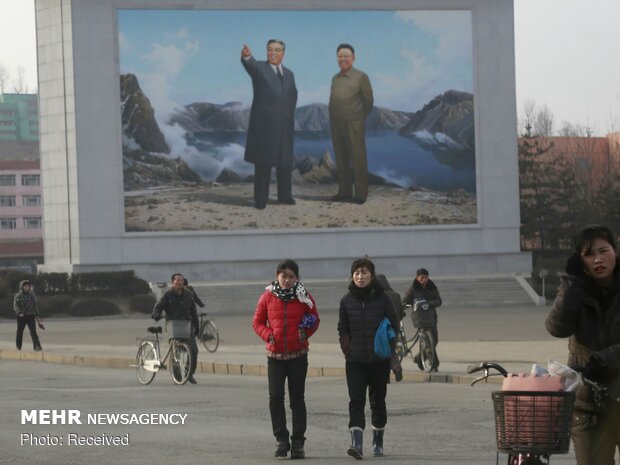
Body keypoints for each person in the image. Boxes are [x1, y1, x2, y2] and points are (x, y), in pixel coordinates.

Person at [545, 225, 620, 465]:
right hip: (588, 404)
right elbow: (557, 328)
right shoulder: (576, 288)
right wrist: (571, 284)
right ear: (581, 261)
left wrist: (605, 359)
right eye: (589, 255)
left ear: (615, 251)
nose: (598, 259)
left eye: (603, 250)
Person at [252, 259, 320, 459]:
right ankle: (281, 439)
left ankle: (298, 442)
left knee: (297, 399)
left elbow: (315, 318)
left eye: (291, 276)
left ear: (296, 278)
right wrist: (268, 334)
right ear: (277, 276)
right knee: (275, 397)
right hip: (275, 356)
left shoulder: (303, 296)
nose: (287, 280)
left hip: (298, 356)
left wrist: (304, 333)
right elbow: (256, 322)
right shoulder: (267, 296)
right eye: (284, 276)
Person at [337, 258, 401, 459]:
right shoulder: (346, 301)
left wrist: (387, 350)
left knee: (377, 401)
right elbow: (342, 328)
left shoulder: (383, 299)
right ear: (352, 276)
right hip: (355, 361)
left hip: (378, 360)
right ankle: (356, 444)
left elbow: (394, 324)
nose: (360, 276)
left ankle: (378, 441)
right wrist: (347, 349)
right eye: (356, 272)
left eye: (364, 272)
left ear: (371, 275)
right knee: (356, 400)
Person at [241, 40, 298, 209]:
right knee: (263, 164)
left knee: (285, 163)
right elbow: (249, 65)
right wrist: (246, 57)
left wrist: (287, 115)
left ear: (283, 53)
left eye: (277, 50)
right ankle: (260, 199)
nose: (273, 53)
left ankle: (285, 196)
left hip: (284, 126)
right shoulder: (259, 68)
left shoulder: (289, 74)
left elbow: (293, 95)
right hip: (264, 126)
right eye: (270, 50)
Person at [328, 43, 374, 205]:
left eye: (346, 56)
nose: (342, 59)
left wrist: (358, 117)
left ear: (353, 58)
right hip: (336, 123)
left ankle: (361, 194)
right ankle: (344, 192)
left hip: (354, 123)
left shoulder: (361, 77)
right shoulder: (335, 78)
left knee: (357, 158)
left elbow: (368, 101)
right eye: (340, 56)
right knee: (341, 158)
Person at [152, 273, 200, 384]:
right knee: (176, 351)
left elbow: (193, 312)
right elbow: (158, 306)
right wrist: (156, 314)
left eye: (181, 280)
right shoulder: (167, 295)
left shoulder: (188, 295)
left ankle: (189, 373)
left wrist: (197, 327)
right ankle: (177, 376)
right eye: (177, 280)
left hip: (186, 325)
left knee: (193, 350)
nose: (179, 283)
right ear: (172, 282)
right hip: (172, 325)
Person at [403, 268, 442, 371]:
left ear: (428, 278)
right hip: (420, 317)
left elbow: (439, 300)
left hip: (431, 317)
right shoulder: (413, 288)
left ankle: (419, 358)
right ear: (417, 278)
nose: (424, 280)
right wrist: (403, 306)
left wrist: (429, 304)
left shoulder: (432, 287)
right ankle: (434, 365)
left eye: (425, 277)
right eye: (421, 278)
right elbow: (406, 299)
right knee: (429, 342)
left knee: (434, 340)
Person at [14, 279, 43, 351]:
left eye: (28, 286)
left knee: (33, 331)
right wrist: (19, 312)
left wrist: (37, 315)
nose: (27, 287)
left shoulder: (32, 295)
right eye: (25, 286)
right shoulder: (18, 296)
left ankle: (37, 346)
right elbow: (16, 306)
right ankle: (18, 346)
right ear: (22, 287)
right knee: (20, 331)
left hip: (31, 316)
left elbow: (35, 305)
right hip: (21, 316)